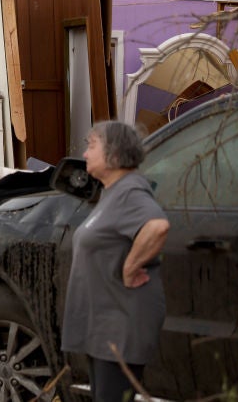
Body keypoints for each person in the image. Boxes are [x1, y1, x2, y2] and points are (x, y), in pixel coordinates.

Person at [61, 121, 170, 402]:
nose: (85, 154)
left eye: (92, 145)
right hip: (105, 327)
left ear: (114, 152)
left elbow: (157, 226)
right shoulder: (113, 191)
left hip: (121, 325)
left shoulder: (130, 189)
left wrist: (131, 266)